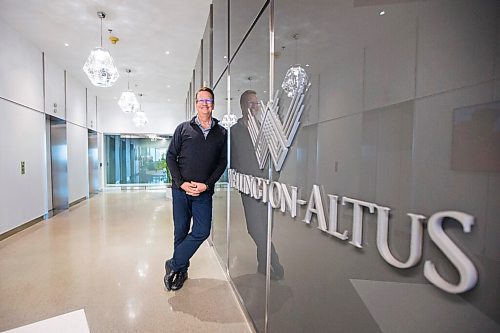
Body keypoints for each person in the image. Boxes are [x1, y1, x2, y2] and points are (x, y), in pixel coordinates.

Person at [164, 87, 227, 291]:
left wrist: (206, 185)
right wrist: (181, 183)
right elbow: (171, 157)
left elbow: (221, 164)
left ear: (213, 104)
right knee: (180, 231)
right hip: (180, 191)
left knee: (201, 231)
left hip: (204, 193)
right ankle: (181, 271)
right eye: (201, 100)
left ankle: (173, 263)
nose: (204, 104)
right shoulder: (183, 129)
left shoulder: (222, 132)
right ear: (196, 103)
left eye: (208, 100)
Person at [231, 90, 284, 280]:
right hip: (249, 187)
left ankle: (263, 266)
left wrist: (271, 181)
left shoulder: (266, 130)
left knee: (267, 228)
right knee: (254, 228)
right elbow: (232, 161)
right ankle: (275, 262)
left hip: (267, 188)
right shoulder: (234, 132)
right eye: (250, 103)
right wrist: (243, 181)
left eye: (256, 103)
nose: (254, 107)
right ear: (243, 106)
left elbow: (275, 159)